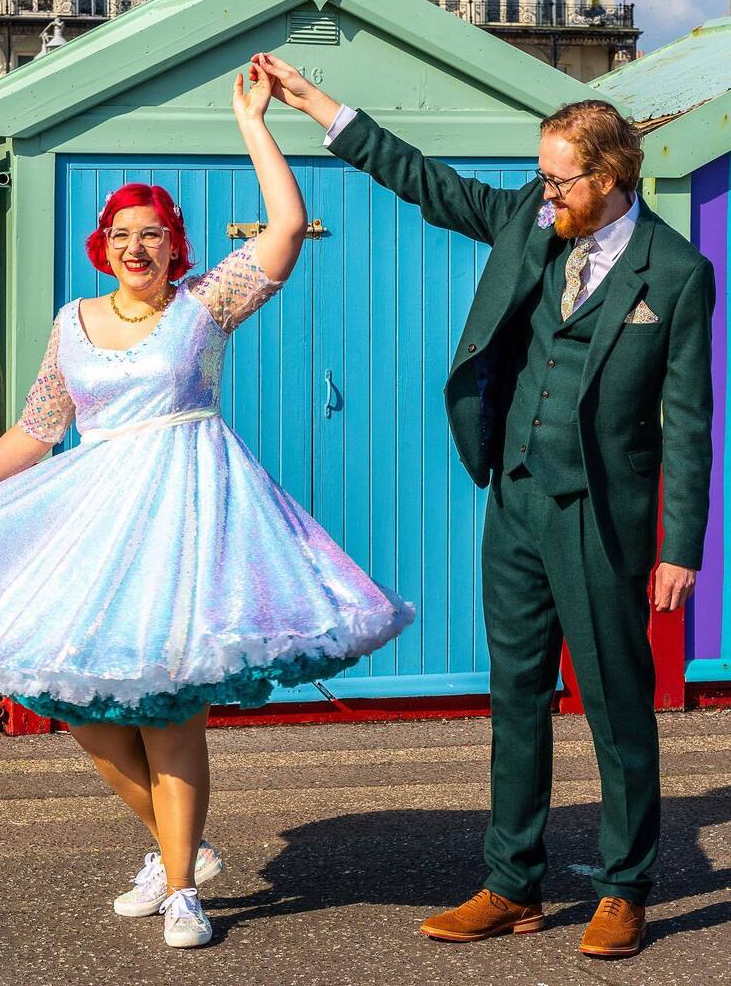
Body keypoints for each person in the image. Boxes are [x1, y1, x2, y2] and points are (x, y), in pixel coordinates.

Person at [0, 63, 414, 950]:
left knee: (170, 709)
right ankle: (182, 849)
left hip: (188, 523)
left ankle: (182, 889)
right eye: (122, 234)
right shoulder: (72, 323)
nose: (136, 247)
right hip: (97, 528)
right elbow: (36, 430)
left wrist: (253, 123)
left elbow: (285, 226)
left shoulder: (203, 307)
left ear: (176, 247)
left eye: (152, 234)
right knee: (77, 701)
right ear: (102, 246)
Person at [253, 51, 715, 959]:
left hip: (601, 516)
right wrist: (317, 106)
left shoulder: (675, 272)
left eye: (559, 179)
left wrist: (681, 545)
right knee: (516, 697)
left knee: (617, 706)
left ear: (609, 177)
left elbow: (690, 418)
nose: (545, 192)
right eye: (541, 176)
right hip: (515, 499)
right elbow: (428, 183)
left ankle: (625, 890)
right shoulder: (531, 220)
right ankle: (512, 885)